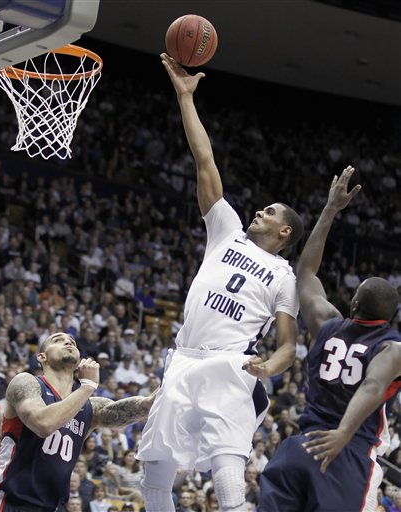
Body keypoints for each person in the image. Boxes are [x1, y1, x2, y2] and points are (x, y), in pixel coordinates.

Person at [136, 53, 304, 511]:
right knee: (154, 473)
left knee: (228, 477)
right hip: (184, 360)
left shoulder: (284, 276)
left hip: (232, 365)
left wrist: (270, 367)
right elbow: (204, 159)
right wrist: (186, 98)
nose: (258, 212)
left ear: (284, 232)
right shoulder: (226, 229)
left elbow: (288, 344)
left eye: (269, 212)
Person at [258, 167, 401, 512]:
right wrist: (342, 434)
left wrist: (330, 210)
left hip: (297, 449)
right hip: (345, 453)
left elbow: (305, 271)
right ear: (392, 317)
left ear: (352, 305)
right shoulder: (391, 348)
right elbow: (370, 387)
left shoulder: (327, 323)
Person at [0, 332, 156, 512]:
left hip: (50, 507)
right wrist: (87, 387)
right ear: (42, 357)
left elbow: (146, 406)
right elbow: (43, 423)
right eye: (58, 340)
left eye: (72, 342)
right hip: (8, 503)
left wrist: (177, 375)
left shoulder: (90, 408)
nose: (67, 342)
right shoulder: (26, 383)